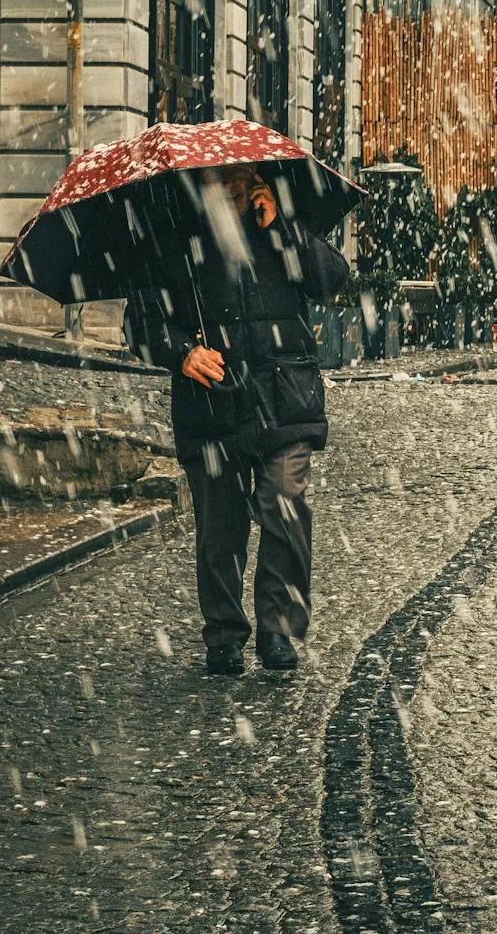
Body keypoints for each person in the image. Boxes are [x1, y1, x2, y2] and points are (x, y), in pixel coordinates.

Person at [124, 163, 350, 677]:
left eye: (239, 178)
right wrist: (181, 353)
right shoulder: (171, 238)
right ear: (200, 183)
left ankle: (278, 629)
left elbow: (330, 279)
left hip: (285, 399)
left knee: (286, 504)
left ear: (256, 181)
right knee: (220, 529)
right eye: (218, 179)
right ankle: (224, 634)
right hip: (211, 404)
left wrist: (283, 229)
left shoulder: (281, 225)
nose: (230, 188)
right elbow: (140, 322)